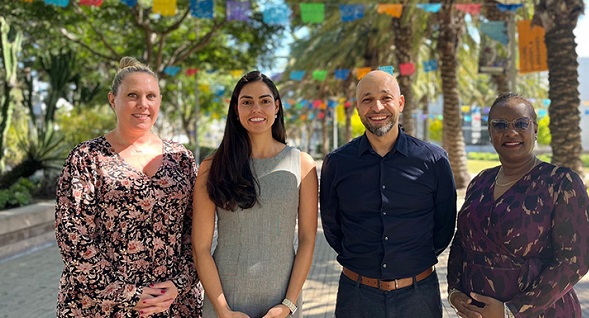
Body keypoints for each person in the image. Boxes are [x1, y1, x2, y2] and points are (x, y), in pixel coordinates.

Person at [55, 57, 203, 317]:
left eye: (151, 96)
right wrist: (125, 294)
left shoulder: (181, 158)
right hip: (100, 306)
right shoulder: (87, 157)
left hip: (171, 304)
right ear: (113, 100)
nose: (143, 104)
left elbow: (197, 230)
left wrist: (180, 284)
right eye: (132, 95)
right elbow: (73, 235)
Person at [320, 70, 457, 318]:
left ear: (401, 103)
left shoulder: (434, 160)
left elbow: (444, 226)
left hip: (419, 296)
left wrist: (410, 262)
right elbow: (332, 227)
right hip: (357, 297)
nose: (377, 107)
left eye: (386, 97)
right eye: (367, 99)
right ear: (358, 107)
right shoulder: (338, 163)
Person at [446, 92, 589, 318]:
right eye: (500, 125)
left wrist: (511, 311)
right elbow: (461, 242)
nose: (510, 132)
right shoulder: (480, 182)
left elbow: (573, 263)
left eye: (521, 124)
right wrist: (455, 292)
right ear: (490, 132)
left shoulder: (561, 183)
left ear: (535, 129)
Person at [192, 71, 318, 318]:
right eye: (247, 102)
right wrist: (223, 310)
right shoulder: (213, 166)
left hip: (282, 303)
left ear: (277, 107)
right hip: (225, 301)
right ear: (236, 110)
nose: (256, 108)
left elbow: (307, 240)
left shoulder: (302, 164)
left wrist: (288, 305)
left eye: (264, 100)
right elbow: (201, 247)